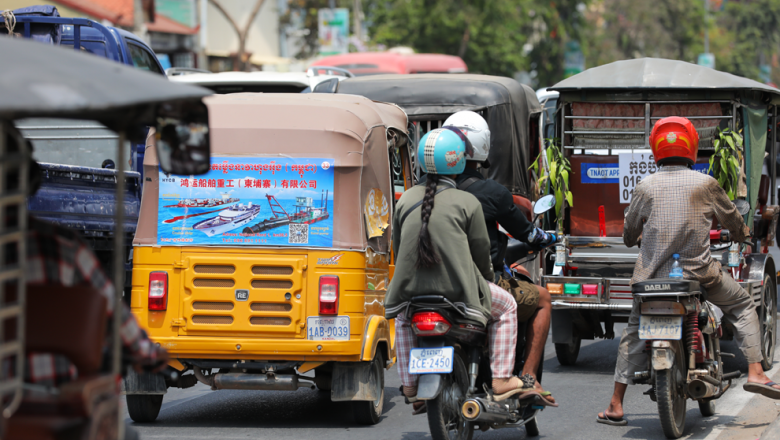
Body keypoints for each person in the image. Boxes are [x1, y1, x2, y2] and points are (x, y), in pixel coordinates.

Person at [597, 116, 780, 427]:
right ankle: (755, 371)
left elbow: (629, 234)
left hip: (651, 282)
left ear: (656, 149)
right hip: (698, 274)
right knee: (743, 304)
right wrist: (740, 234)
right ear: (692, 148)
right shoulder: (706, 183)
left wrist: (637, 236)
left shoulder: (645, 185)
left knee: (632, 333)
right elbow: (734, 221)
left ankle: (616, 404)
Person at [385, 128, 536, 415]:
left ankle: (408, 384)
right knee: (507, 307)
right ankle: (502, 378)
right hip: (460, 293)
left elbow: (398, 247)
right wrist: (486, 281)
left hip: (411, 293)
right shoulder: (467, 202)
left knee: (404, 320)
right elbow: (481, 256)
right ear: (457, 162)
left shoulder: (404, 200)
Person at [13, 126, 167, 387]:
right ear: (32, 182)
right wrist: (148, 353)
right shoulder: (60, 249)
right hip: (49, 405)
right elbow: (114, 313)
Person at [442, 111, 556, 403]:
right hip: (479, 286)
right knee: (542, 298)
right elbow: (528, 234)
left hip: (433, 285)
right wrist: (547, 238)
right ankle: (527, 378)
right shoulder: (491, 192)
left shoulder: (426, 192)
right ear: (481, 147)